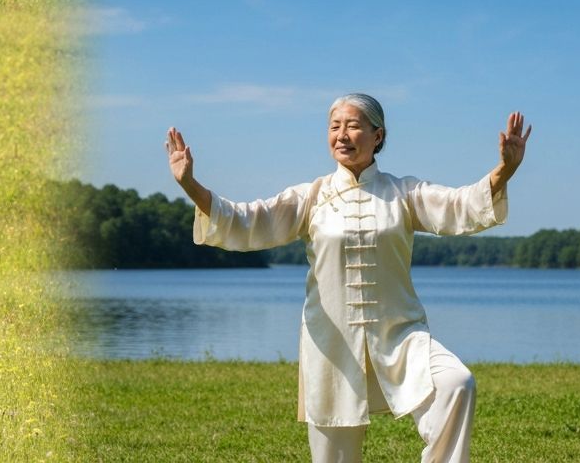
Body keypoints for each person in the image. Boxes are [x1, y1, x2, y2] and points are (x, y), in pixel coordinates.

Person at [165, 96, 532, 463]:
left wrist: (503, 170)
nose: (342, 135)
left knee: (456, 384)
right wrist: (190, 184)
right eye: (334, 126)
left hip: (401, 336)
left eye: (353, 125)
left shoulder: (403, 193)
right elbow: (247, 220)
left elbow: (460, 206)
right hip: (332, 345)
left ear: (378, 136)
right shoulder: (310, 197)